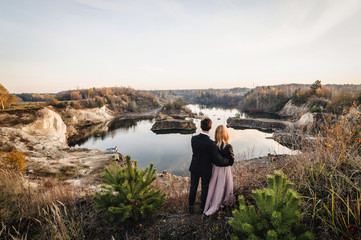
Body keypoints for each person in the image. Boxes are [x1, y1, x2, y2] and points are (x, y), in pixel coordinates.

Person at [188, 118, 230, 214]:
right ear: (210, 127)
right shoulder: (211, 143)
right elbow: (218, 160)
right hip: (205, 169)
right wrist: (228, 160)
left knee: (193, 187)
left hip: (194, 167)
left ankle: (190, 207)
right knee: (205, 188)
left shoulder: (193, 139)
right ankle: (203, 208)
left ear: (200, 126)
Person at [203, 125, 235, 216]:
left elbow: (210, 158)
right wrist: (226, 162)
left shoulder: (213, 145)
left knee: (215, 187)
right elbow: (231, 161)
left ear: (216, 134)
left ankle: (214, 202)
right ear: (225, 134)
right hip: (225, 170)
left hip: (215, 169)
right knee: (226, 186)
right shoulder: (228, 146)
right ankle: (225, 202)